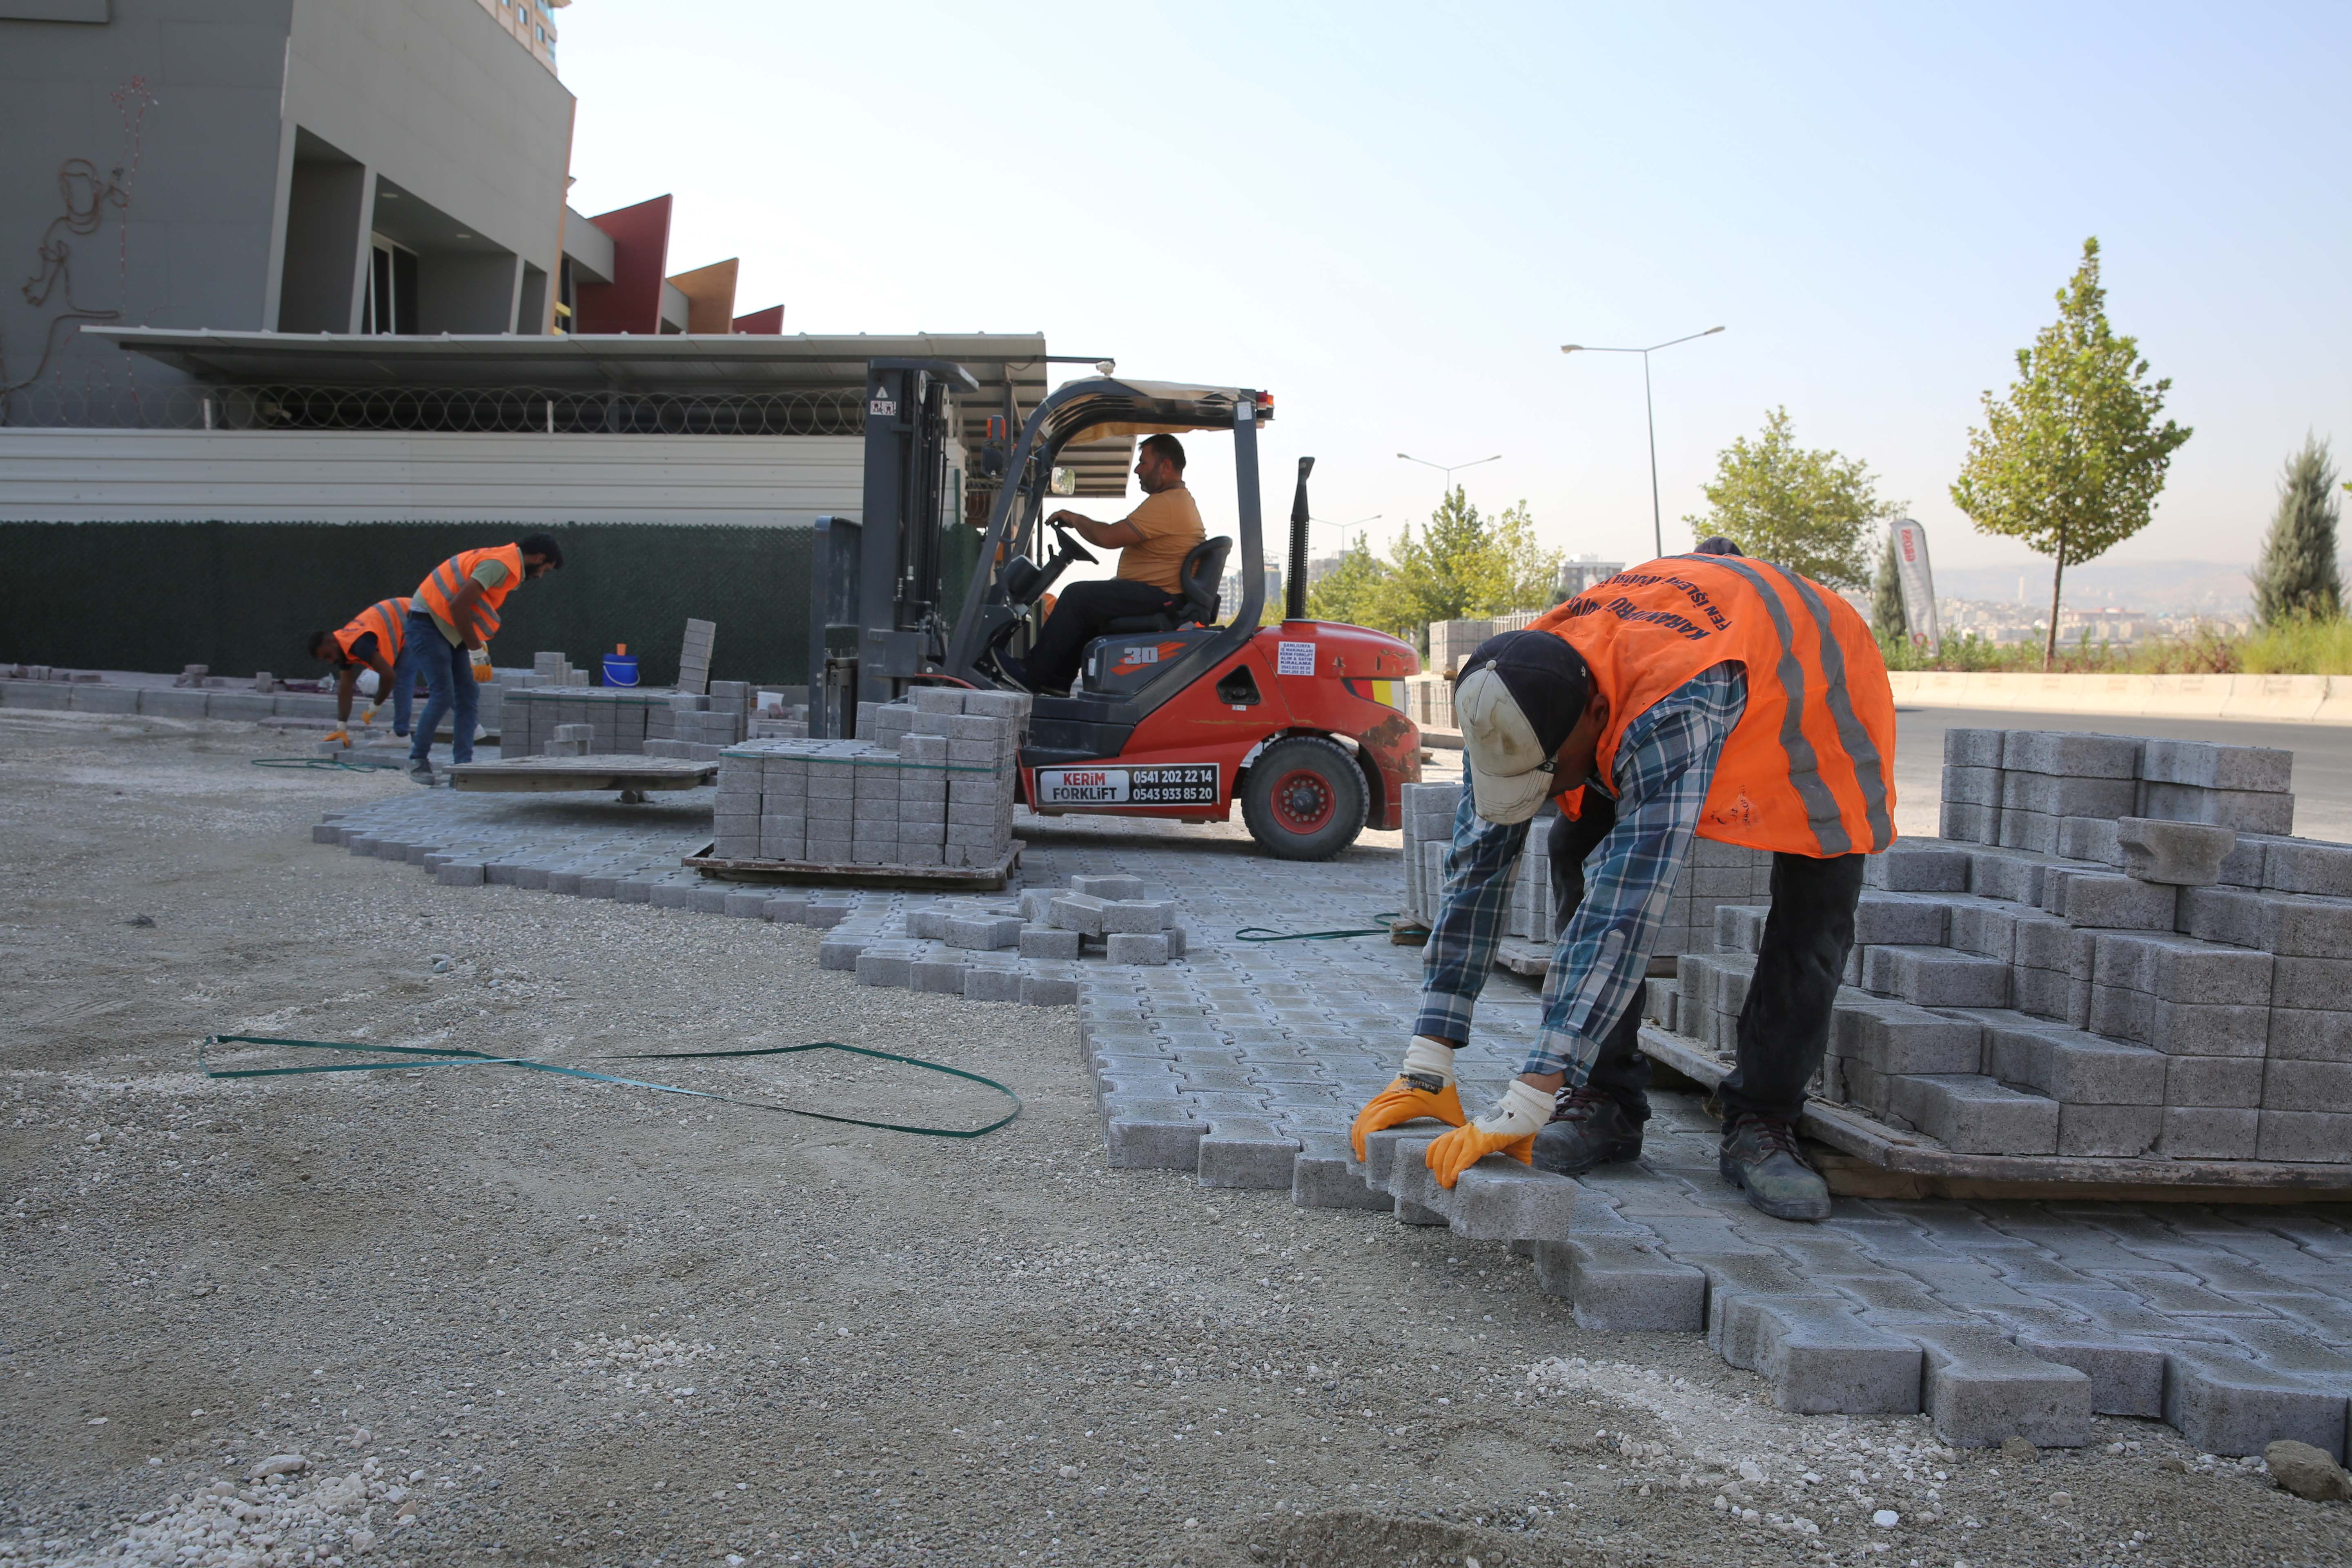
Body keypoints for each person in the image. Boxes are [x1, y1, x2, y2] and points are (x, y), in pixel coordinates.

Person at [1350, 550, 1896, 1221]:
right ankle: (1604, 1101)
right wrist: (1429, 1057)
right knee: (1574, 841)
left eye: (1549, 775)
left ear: (1597, 717)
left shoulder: (1672, 706)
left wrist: (1529, 1097)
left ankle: (1763, 1120)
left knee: (1819, 896)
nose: (1539, 792)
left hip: (1818, 683)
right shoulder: (1513, 677)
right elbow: (1479, 862)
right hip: (1683, 663)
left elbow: (1626, 910)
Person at [1002, 433, 1204, 694]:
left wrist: (1075, 519)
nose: (1137, 470)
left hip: (1160, 597)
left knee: (1078, 596)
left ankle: (1031, 673)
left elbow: (1109, 537)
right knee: (1091, 604)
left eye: (1144, 462)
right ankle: (1057, 682)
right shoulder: (1173, 502)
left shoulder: (1169, 504)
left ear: (1165, 466)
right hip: (1158, 594)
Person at [404, 535, 563, 780]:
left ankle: (463, 769)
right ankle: (417, 760)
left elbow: (473, 606)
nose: (541, 575)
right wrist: (475, 651)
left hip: (450, 625)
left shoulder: (506, 565)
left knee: (468, 695)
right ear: (539, 558)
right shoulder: (499, 565)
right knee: (443, 694)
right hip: (428, 623)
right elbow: (459, 605)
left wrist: (478, 643)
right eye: (545, 569)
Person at [307, 596, 414, 746]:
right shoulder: (342, 647)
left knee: (404, 679)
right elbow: (345, 688)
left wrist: (375, 706)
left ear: (332, 642)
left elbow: (389, 676)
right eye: (326, 660)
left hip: (415, 617)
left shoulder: (359, 644)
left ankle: (401, 735)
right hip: (408, 619)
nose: (331, 661)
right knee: (442, 682)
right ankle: (402, 733)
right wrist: (342, 727)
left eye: (328, 656)